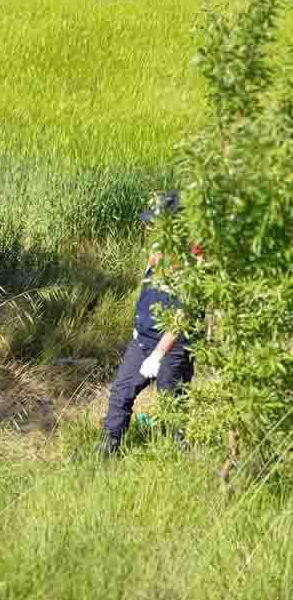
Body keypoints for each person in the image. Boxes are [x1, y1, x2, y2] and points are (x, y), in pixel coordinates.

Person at [99, 190, 200, 456]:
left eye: (155, 221)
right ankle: (107, 449)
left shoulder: (191, 260)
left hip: (174, 344)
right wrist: (138, 321)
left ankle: (180, 456)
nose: (149, 226)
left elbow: (183, 313)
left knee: (172, 405)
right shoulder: (157, 251)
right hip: (143, 337)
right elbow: (146, 289)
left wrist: (158, 355)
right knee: (121, 392)